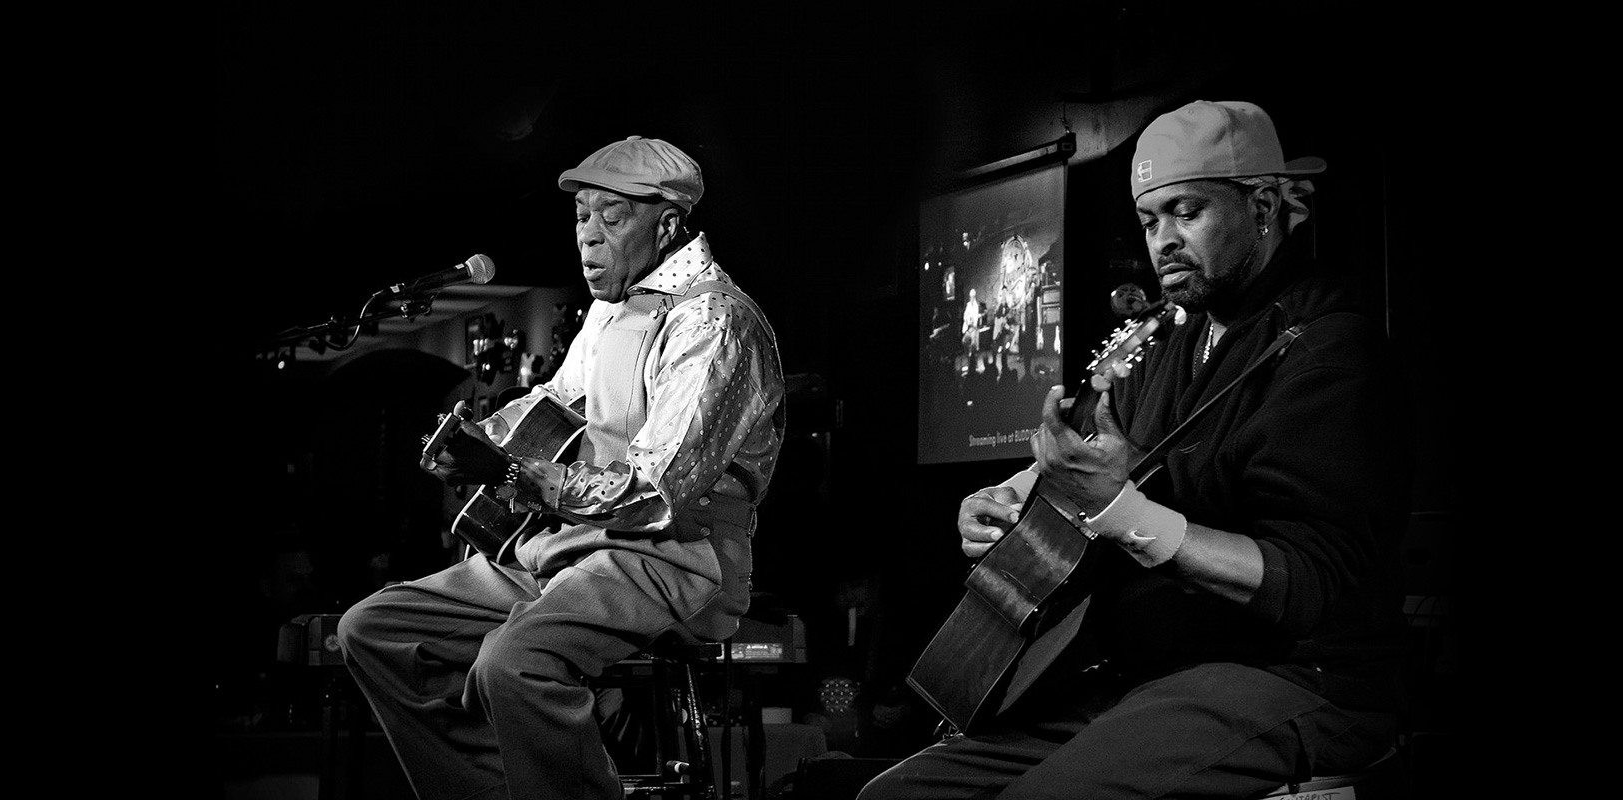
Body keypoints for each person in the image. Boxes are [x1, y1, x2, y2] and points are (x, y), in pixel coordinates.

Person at [862, 100, 1410, 799]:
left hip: (1299, 678)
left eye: (1187, 211)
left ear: (1266, 205)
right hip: (1153, 678)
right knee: (898, 794)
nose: (1164, 240)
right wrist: (1011, 494)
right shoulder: (1167, 340)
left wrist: (1122, 513)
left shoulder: (1329, 353)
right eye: (1152, 220)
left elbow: (1297, 582)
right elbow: (1097, 454)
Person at [337, 135, 787, 800]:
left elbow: (658, 490)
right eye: (582, 218)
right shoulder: (613, 311)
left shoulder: (714, 322)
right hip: (578, 546)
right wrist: (481, 442)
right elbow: (552, 405)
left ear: (667, 225)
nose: (589, 238)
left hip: (677, 560)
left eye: (612, 218)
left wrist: (526, 479)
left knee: (513, 663)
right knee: (374, 630)